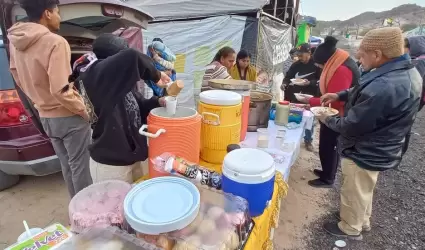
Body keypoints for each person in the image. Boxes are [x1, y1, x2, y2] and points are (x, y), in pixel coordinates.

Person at [320, 27, 422, 239]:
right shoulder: (403, 71)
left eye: (363, 53)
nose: (358, 56)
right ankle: (361, 220)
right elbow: (363, 90)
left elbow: (351, 124)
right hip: (382, 145)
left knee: (354, 188)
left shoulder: (385, 85)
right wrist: (340, 94)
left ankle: (350, 227)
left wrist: (326, 118)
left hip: (365, 148)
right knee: (364, 188)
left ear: (377, 54)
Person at [8, 0, 92, 198]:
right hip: (68, 116)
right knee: (80, 168)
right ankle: (86, 215)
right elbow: (60, 89)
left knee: (67, 166)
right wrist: (84, 110)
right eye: (57, 12)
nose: (59, 17)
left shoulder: (15, 41)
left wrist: (38, 99)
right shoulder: (55, 42)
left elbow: (17, 77)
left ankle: (76, 211)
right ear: (47, 13)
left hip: (46, 116)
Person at [73, 34, 171, 183]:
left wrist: (159, 101)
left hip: (132, 155)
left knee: (134, 202)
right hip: (111, 163)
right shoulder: (94, 79)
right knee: (115, 206)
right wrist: (156, 76)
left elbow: (138, 107)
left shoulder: (117, 83)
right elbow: (132, 56)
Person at [301, 36, 360, 188]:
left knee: (330, 145)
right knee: (325, 144)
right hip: (333, 113)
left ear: (328, 61)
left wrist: (311, 101)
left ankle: (328, 178)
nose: (321, 68)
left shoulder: (341, 69)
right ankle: (326, 171)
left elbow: (336, 100)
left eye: (321, 65)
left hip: (339, 115)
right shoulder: (338, 62)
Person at [281, 43, 321, 151]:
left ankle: (308, 140)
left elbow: (320, 80)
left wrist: (310, 83)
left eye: (301, 55)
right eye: (298, 55)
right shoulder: (296, 65)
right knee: (294, 117)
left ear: (309, 53)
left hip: (311, 97)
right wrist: (284, 83)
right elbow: (288, 77)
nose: (299, 58)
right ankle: (291, 139)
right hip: (297, 96)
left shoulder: (317, 65)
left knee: (310, 120)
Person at [402, 36, 425, 155]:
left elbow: (414, 85)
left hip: (413, 100)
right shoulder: (420, 59)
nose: (403, 49)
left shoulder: (419, 62)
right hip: (418, 100)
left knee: (404, 126)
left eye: (405, 47)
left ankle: (398, 154)